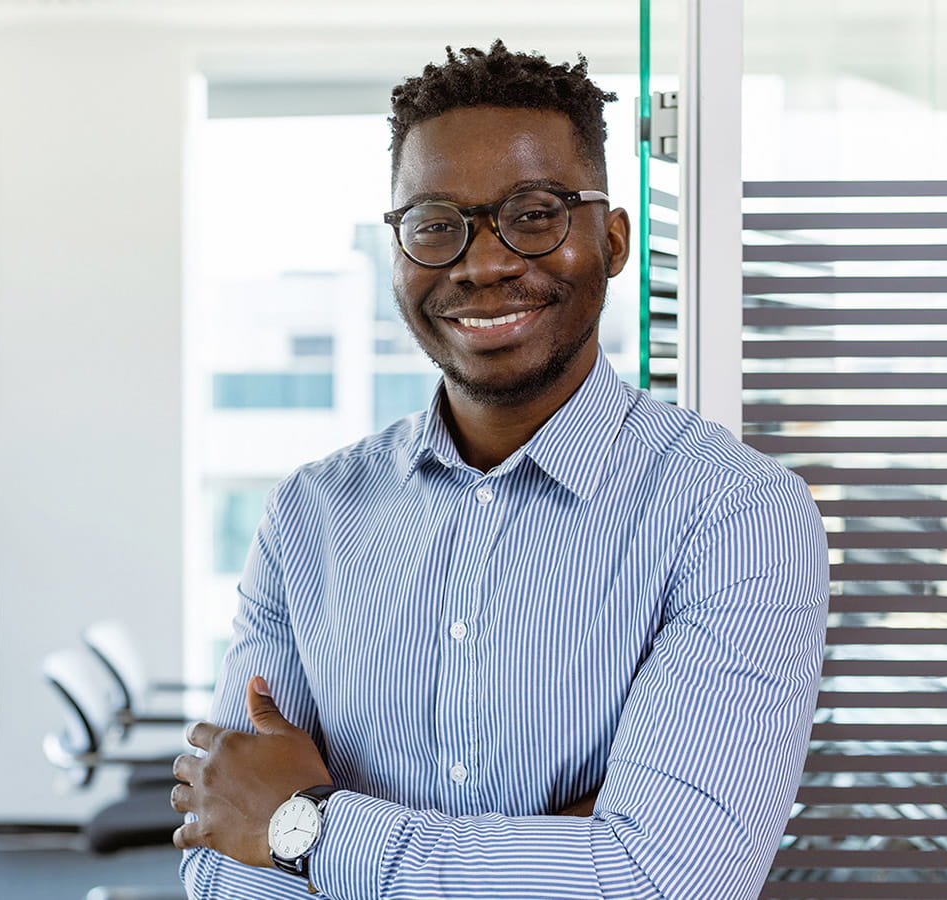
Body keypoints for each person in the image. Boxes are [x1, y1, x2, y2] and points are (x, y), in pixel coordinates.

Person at [171, 41, 828, 900]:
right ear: (398, 252)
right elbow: (224, 861)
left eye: (535, 212)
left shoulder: (736, 515)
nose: (482, 264)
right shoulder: (311, 516)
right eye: (437, 224)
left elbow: (662, 882)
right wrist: (556, 850)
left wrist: (305, 824)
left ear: (615, 239)